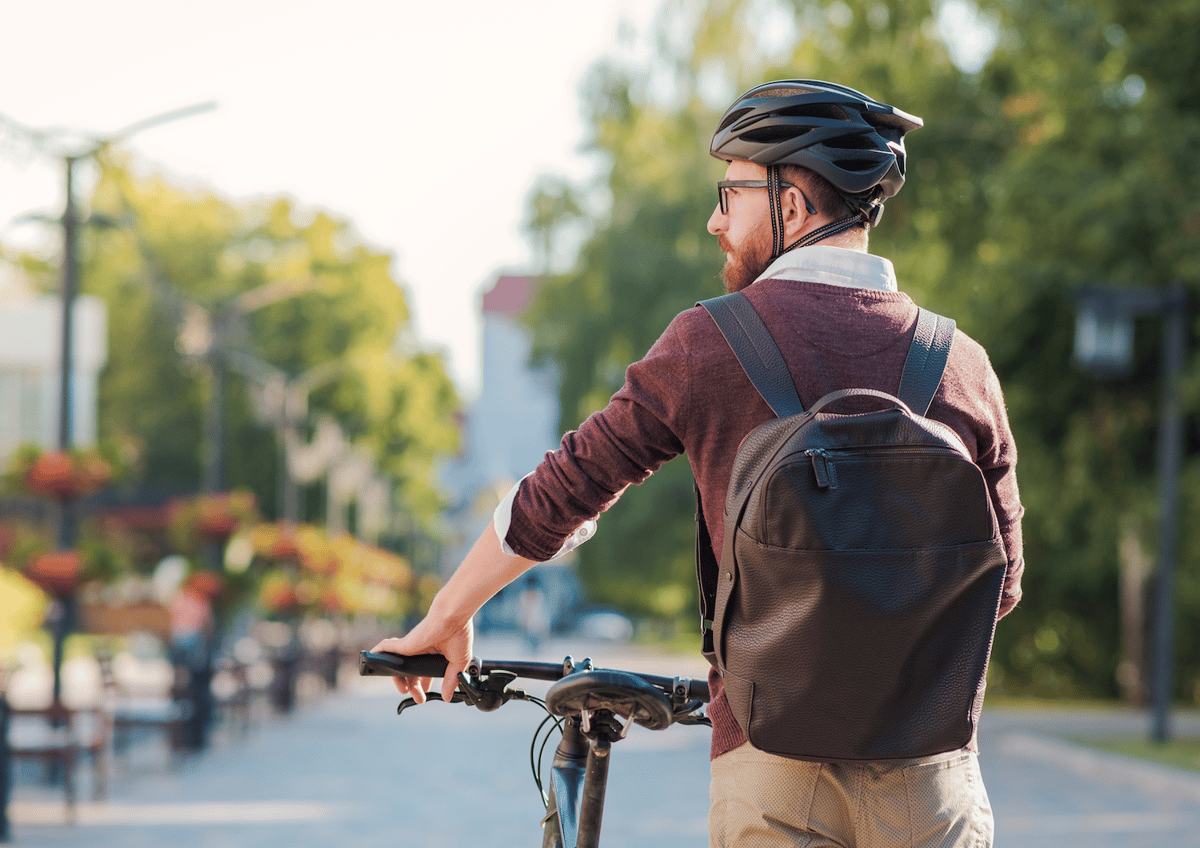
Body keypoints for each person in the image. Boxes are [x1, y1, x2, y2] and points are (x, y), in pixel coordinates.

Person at [374, 79, 1023, 848]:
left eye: (732, 191)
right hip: (934, 780)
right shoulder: (961, 364)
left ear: (790, 207)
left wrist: (447, 616)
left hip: (773, 770)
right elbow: (1002, 581)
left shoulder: (710, 343)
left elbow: (564, 494)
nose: (716, 219)